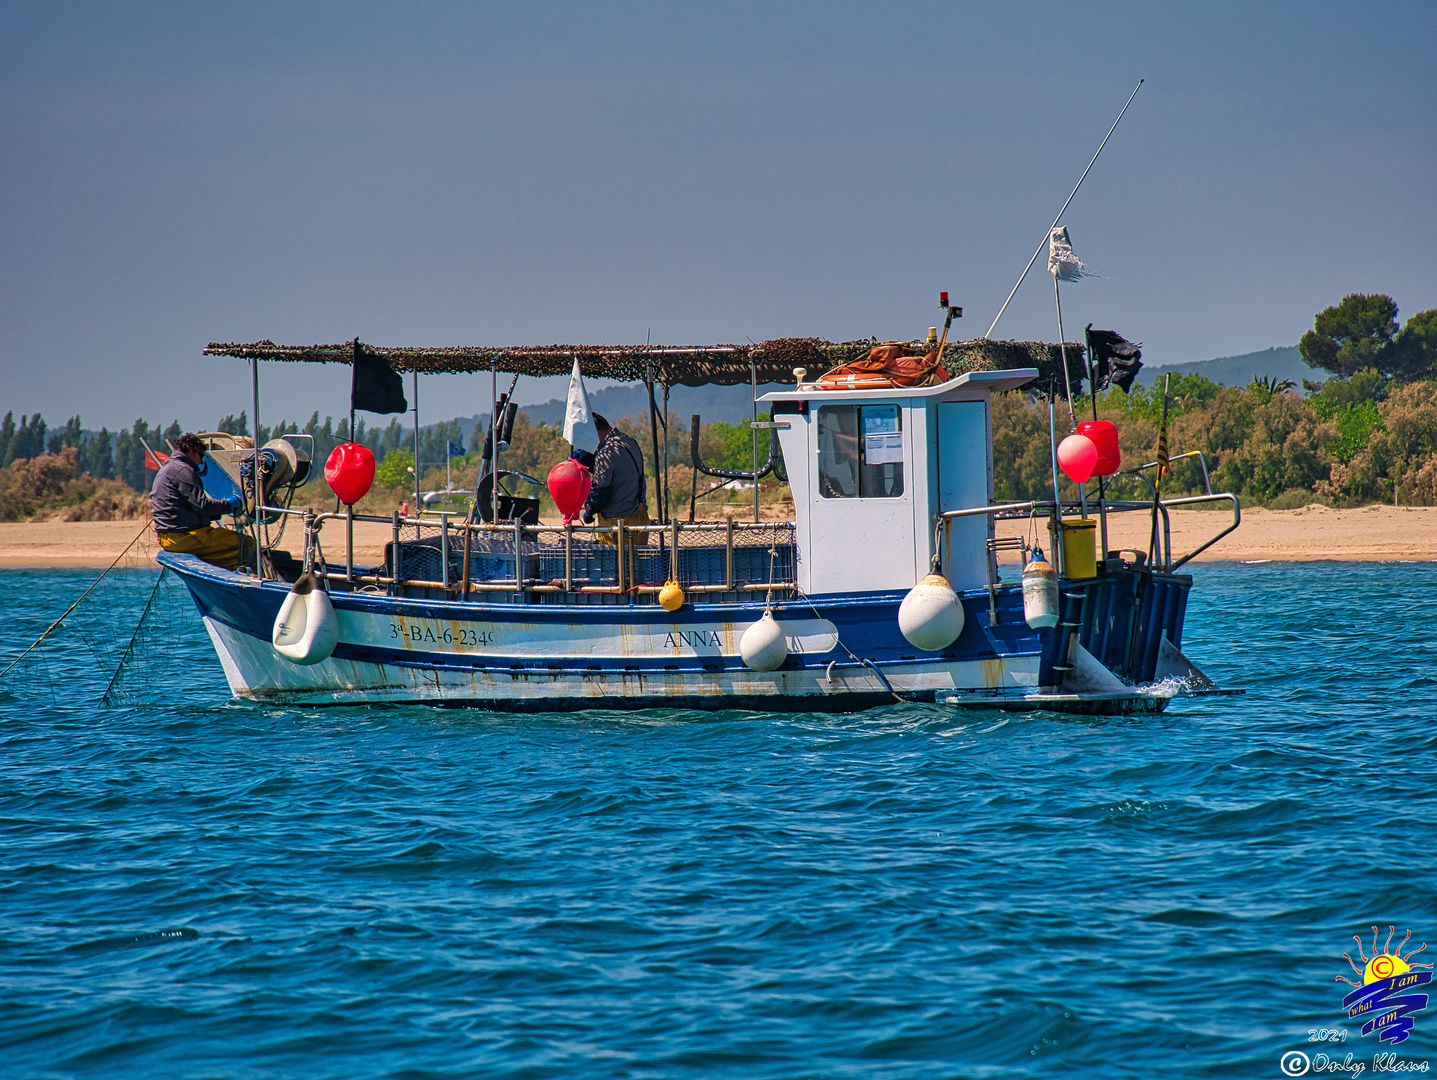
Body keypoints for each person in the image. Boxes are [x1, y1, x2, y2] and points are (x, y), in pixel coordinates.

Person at [152, 433, 252, 571]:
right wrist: (230, 504)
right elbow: (204, 506)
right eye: (201, 455)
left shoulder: (169, 467)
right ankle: (257, 580)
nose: (201, 462)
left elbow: (190, 509)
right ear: (191, 451)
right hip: (181, 537)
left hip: (169, 537)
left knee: (226, 552)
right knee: (247, 544)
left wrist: (218, 512)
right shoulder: (183, 470)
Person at [581, 414, 649, 544]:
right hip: (640, 517)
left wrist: (589, 510)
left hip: (617, 523)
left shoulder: (607, 453)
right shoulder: (629, 441)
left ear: (595, 434)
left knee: (615, 563)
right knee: (639, 562)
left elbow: (599, 492)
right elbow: (618, 470)